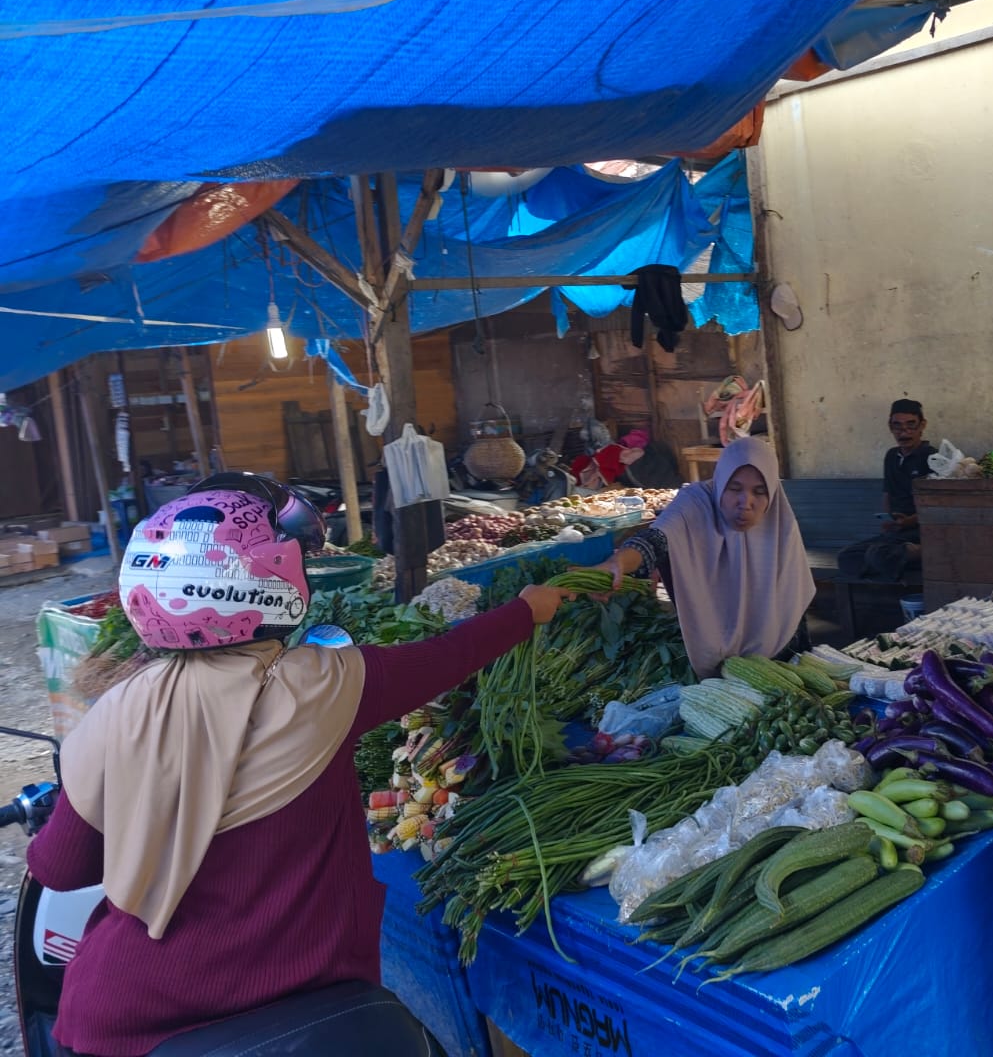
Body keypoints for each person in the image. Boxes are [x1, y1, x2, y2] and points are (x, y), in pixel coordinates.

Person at [26, 473, 575, 1057]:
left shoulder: (118, 710)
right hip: (294, 1012)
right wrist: (527, 611)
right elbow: (447, 655)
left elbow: (59, 869)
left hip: (121, 1014)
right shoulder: (324, 685)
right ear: (273, 580)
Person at [591, 436, 814, 677]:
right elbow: (657, 538)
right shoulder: (696, 502)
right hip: (715, 655)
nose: (745, 502)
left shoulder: (780, 521)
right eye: (734, 488)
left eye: (759, 492)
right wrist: (619, 563)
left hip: (779, 653)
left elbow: (793, 606)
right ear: (721, 481)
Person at [836, 399, 934, 582]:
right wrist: (889, 519)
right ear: (890, 427)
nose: (904, 432)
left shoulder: (932, 457)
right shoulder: (891, 456)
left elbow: (934, 507)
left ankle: (921, 552)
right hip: (897, 534)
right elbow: (887, 493)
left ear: (922, 425)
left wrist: (908, 521)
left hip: (920, 531)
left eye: (911, 425)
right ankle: (907, 558)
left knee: (878, 554)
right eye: (897, 426)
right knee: (847, 557)